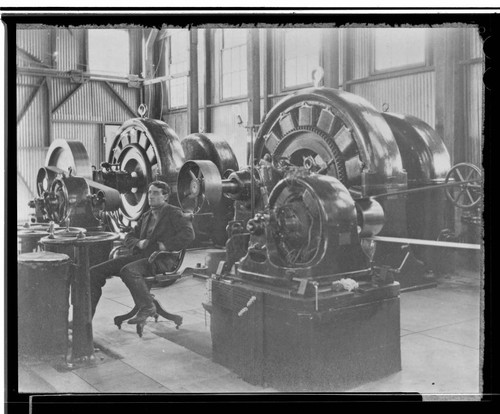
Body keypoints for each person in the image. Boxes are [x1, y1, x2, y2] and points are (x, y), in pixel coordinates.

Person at [89, 181, 195, 325]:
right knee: (94, 272)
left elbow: (189, 234)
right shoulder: (146, 216)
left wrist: (165, 246)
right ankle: (85, 319)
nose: (151, 196)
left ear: (165, 196)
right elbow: (128, 237)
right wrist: (139, 243)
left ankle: (147, 307)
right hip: (143, 257)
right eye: (150, 193)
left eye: (155, 193)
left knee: (128, 271)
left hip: (163, 260)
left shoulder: (174, 213)